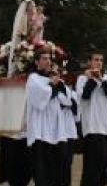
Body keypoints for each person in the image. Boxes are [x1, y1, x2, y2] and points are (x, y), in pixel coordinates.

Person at [27, 51, 72, 186]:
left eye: (49, 59)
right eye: (44, 59)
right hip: (40, 130)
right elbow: (40, 98)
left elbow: (67, 100)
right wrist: (53, 85)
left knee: (58, 166)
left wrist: (58, 84)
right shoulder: (33, 78)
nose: (48, 61)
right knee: (42, 168)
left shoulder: (56, 79)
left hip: (57, 130)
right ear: (36, 62)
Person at [76, 53, 107, 186]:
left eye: (101, 60)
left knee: (106, 164)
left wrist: (100, 79)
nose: (99, 63)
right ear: (89, 62)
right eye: (96, 60)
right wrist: (92, 79)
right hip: (92, 128)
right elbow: (84, 96)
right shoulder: (82, 79)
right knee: (93, 164)